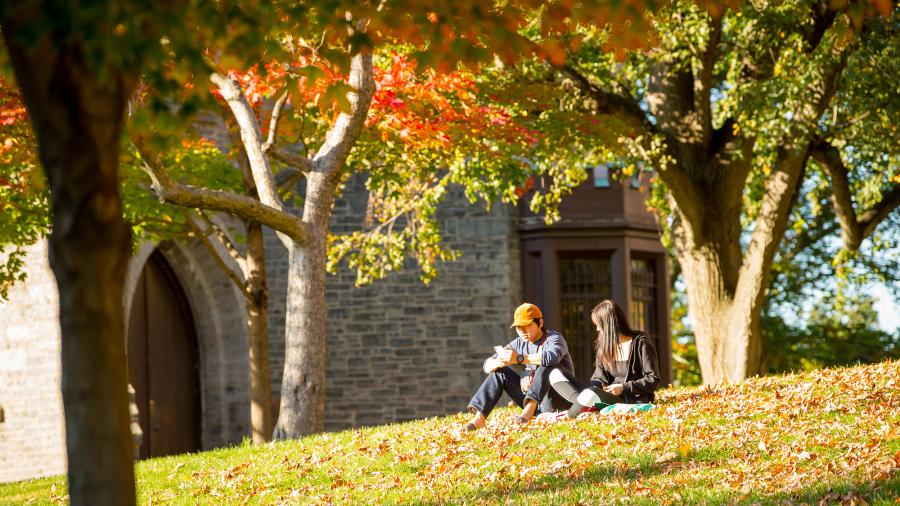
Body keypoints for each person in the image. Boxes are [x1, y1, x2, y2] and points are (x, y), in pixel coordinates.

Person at [465, 302, 575, 430]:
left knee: (546, 364)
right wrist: (498, 362)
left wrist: (519, 358)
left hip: (557, 401)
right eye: (518, 327)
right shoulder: (518, 343)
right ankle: (479, 419)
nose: (522, 331)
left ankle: (528, 413)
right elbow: (487, 365)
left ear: (540, 323)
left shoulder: (554, 338)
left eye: (526, 326)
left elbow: (552, 357)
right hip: (533, 400)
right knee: (499, 373)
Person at [549, 299, 661, 419]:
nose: (597, 329)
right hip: (604, 395)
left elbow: (653, 379)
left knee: (590, 394)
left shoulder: (641, 342)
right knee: (555, 374)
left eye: (599, 325)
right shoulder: (605, 346)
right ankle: (583, 405)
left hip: (628, 399)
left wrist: (623, 388)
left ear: (610, 324)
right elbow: (598, 379)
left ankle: (564, 416)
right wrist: (595, 389)